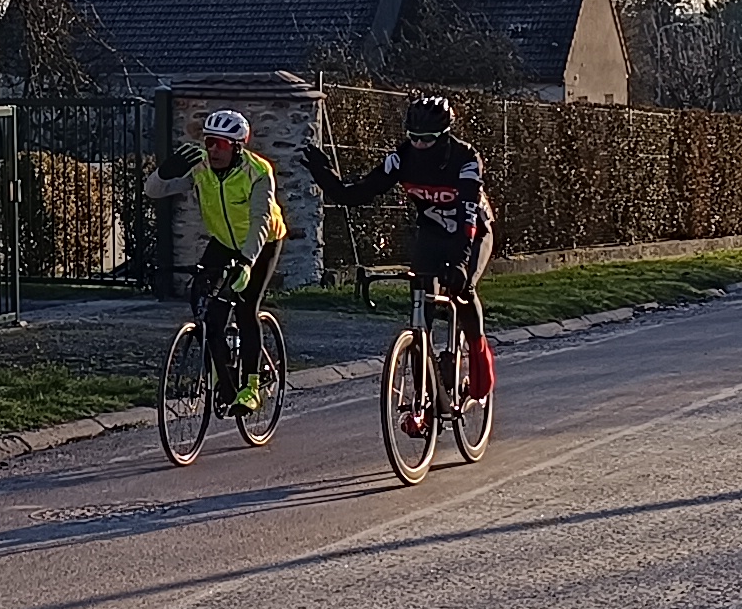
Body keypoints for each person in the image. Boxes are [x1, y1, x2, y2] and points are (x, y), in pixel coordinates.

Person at [303, 95, 498, 414]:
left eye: (427, 139)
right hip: (432, 233)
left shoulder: (465, 158)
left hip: (472, 232)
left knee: (463, 290)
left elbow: (467, 216)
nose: (419, 145)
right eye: (414, 137)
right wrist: (324, 175)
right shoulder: (402, 157)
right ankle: (424, 396)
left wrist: (461, 263)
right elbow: (356, 194)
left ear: (444, 135)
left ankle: (479, 356)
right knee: (421, 309)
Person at [146, 108, 287, 411]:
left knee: (246, 307)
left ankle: (251, 387)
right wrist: (164, 172)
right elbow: (153, 191)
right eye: (209, 142)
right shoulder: (200, 167)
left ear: (237, 147)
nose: (213, 150)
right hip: (223, 242)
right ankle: (223, 377)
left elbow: (261, 220)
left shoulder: (257, 171)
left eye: (221, 144)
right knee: (206, 311)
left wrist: (247, 263)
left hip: (261, 243)